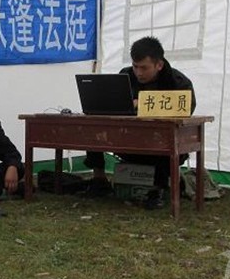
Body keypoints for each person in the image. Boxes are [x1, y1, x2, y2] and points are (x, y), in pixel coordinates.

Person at [84, 36, 196, 203]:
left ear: (159, 65)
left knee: (164, 138)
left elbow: (185, 110)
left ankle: (159, 187)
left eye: (144, 68)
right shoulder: (125, 76)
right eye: (135, 66)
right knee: (94, 124)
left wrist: (141, 104)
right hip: (129, 139)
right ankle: (99, 179)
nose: (139, 73)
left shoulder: (178, 83)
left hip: (162, 142)